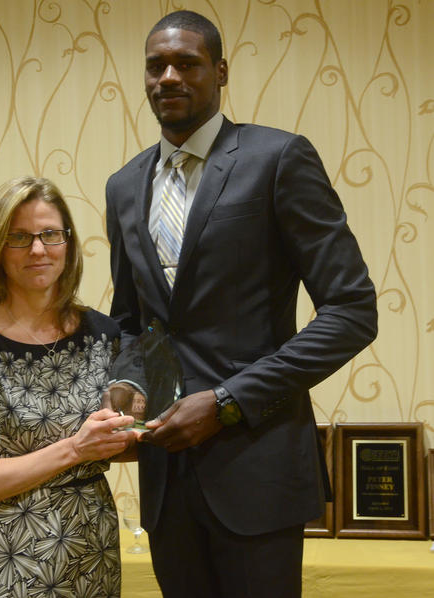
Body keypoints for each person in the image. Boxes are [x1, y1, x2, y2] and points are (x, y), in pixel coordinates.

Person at [105, 10, 378, 598]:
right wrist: (128, 381)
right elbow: (138, 322)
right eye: (156, 66)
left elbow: (352, 311)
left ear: (221, 71)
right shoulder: (124, 185)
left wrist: (227, 402)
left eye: (186, 63)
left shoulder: (277, 159)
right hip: (166, 478)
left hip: (258, 468)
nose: (168, 77)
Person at [0, 176, 136, 597]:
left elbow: (122, 439)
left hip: (90, 554)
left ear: (68, 243)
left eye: (50, 234)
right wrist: (76, 448)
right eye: (19, 237)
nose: (38, 249)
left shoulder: (103, 335)